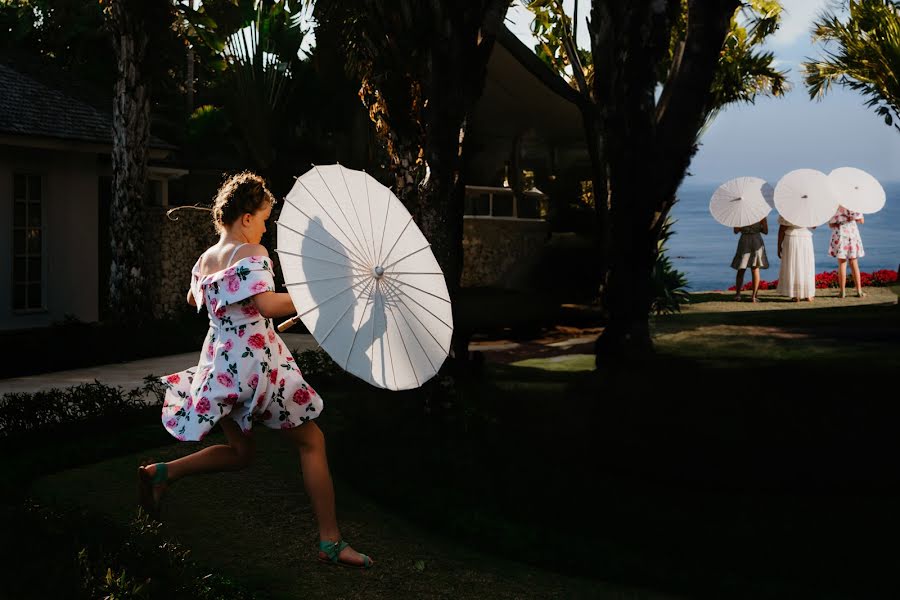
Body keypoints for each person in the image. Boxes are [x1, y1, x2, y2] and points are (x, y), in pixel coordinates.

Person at [139, 172, 373, 569]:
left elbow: (197, 297)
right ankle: (330, 542)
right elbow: (265, 305)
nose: (266, 226)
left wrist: (259, 311)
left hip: (222, 367)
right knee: (312, 442)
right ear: (246, 217)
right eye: (264, 218)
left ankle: (161, 473)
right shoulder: (252, 252)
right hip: (256, 367)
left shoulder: (206, 258)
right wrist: (314, 296)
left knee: (241, 453)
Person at [828, 205, 867, 298]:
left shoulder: (835, 206)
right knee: (854, 262)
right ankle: (859, 291)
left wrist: (840, 221)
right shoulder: (853, 203)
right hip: (852, 233)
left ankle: (842, 292)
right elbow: (862, 221)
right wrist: (853, 218)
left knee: (842, 263)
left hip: (840, 234)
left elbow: (831, 224)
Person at [776, 215, 816, 302]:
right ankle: (808, 294)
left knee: (793, 266)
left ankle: (796, 295)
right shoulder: (808, 209)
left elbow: (782, 229)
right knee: (806, 266)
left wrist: (779, 246)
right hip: (805, 238)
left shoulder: (787, 209)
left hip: (792, 237)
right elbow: (814, 226)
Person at [731, 217, 769, 302]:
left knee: (741, 268)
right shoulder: (761, 214)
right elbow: (766, 231)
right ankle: (754, 296)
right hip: (756, 240)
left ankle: (737, 295)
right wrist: (757, 228)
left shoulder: (740, 215)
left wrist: (744, 227)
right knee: (755, 268)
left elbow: (735, 231)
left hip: (744, 240)